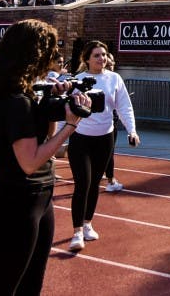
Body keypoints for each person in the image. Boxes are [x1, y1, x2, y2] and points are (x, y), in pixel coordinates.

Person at [0, 21, 90, 296]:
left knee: (30, 285)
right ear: (33, 54)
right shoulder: (16, 100)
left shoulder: (20, 95)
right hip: (17, 202)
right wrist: (71, 125)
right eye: (49, 51)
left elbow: (42, 138)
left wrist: (50, 108)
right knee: (2, 287)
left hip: (39, 197)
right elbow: (30, 162)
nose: (53, 60)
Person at [67, 41, 139, 252]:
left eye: (104, 55)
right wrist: (55, 138)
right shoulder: (78, 80)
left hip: (105, 139)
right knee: (83, 184)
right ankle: (77, 231)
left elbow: (124, 106)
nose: (101, 59)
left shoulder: (114, 78)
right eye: (96, 55)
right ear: (87, 59)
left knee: (96, 183)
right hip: (81, 139)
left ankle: (88, 223)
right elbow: (67, 110)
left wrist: (132, 130)